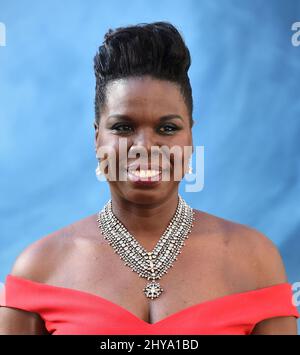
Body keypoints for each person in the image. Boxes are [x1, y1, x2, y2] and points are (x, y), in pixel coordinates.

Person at [0, 21, 299, 335]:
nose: (144, 147)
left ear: (190, 137)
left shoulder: (254, 261)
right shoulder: (39, 268)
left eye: (167, 128)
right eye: (123, 127)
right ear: (97, 138)